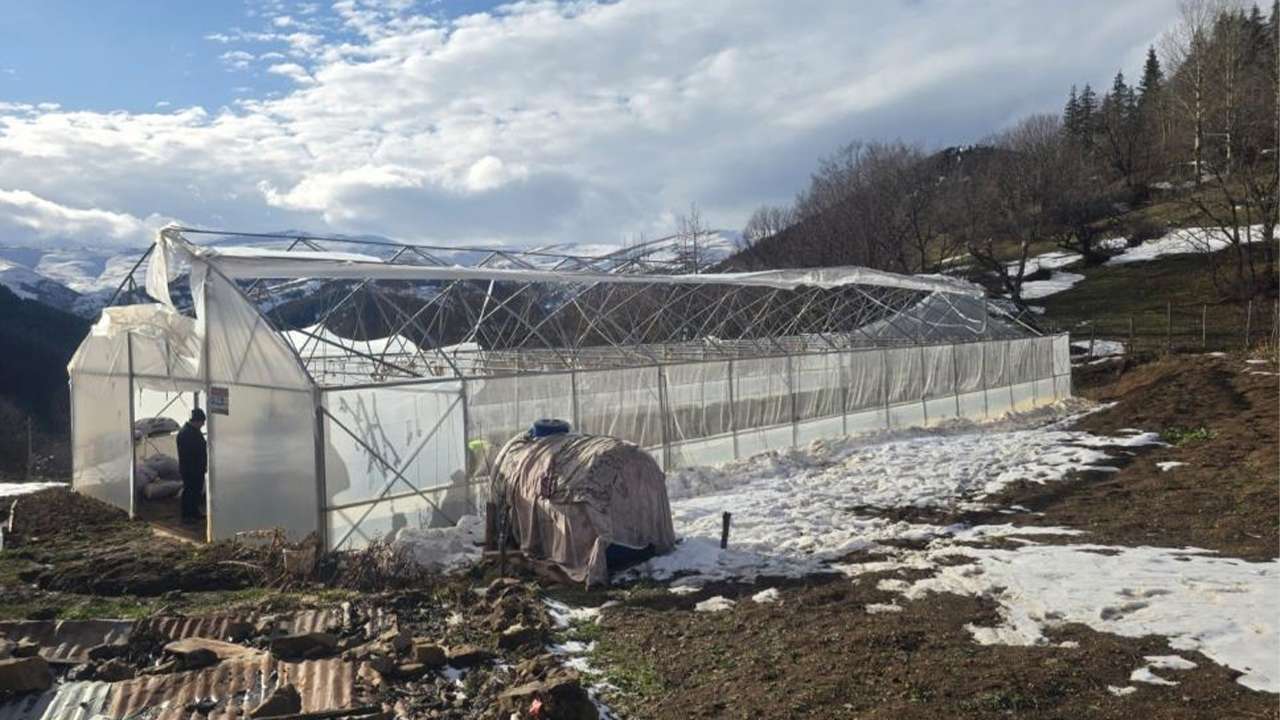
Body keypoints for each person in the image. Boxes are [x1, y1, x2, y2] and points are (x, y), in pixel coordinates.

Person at [176, 408, 208, 523]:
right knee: (190, 491)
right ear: (196, 421)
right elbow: (191, 453)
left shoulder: (192, 431)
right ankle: (187, 515)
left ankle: (194, 512)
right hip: (190, 468)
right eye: (202, 422)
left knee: (196, 491)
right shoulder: (186, 433)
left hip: (196, 468)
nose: (203, 424)